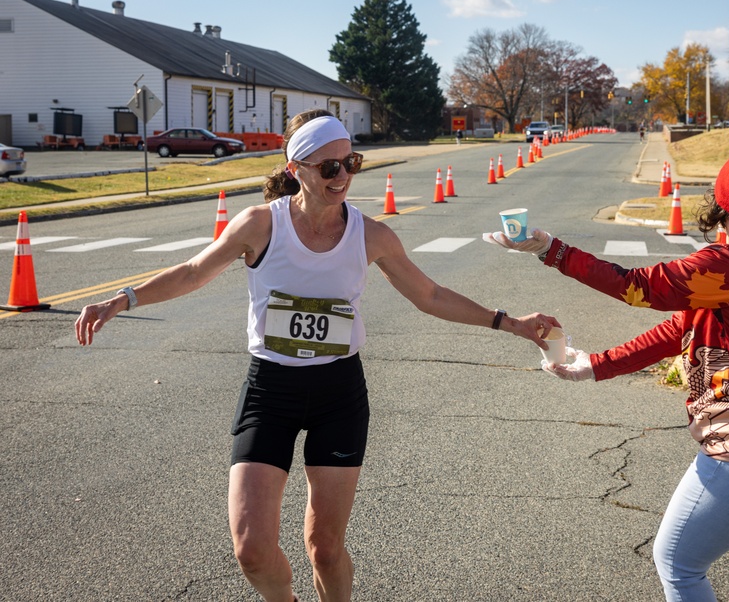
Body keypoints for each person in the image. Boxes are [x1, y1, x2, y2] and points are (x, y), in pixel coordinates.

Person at [75, 109, 559, 602]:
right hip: (270, 389)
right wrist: (124, 297)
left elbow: (429, 296)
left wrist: (509, 322)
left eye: (350, 162)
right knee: (252, 549)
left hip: (337, 394)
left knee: (324, 548)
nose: (343, 176)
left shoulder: (371, 235)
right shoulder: (261, 225)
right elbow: (194, 271)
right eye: (329, 167)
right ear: (296, 169)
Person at [483, 147, 729, 601]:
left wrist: (550, 249)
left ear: (724, 204)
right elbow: (682, 325)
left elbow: (635, 287)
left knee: (678, 564)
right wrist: (597, 365)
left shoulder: (728, 264)